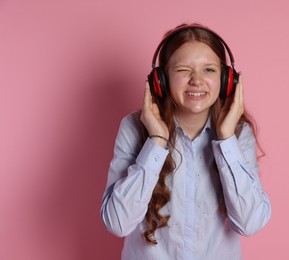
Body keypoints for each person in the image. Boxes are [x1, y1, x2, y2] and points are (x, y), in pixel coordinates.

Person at [100, 23, 271, 260]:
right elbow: (117, 223)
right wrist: (157, 141)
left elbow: (250, 223)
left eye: (209, 70)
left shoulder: (238, 134)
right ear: (160, 79)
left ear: (226, 78)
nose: (197, 81)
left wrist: (226, 140)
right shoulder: (134, 127)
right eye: (183, 70)